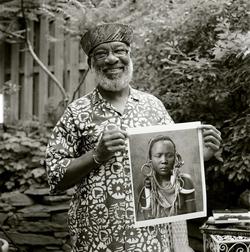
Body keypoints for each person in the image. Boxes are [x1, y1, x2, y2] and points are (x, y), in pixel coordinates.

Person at [45, 23, 222, 252]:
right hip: (99, 235)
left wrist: (200, 156)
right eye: (101, 53)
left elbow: (172, 165)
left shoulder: (153, 106)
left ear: (129, 56)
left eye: (119, 51)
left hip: (153, 235)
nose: (111, 59)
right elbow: (55, 177)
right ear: (90, 64)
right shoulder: (77, 112)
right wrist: (97, 155)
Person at [138, 135, 196, 220]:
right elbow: (148, 221)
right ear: (150, 159)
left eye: (169, 155)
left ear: (176, 157)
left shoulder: (185, 182)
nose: (164, 161)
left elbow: (193, 218)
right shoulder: (146, 188)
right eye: (158, 156)